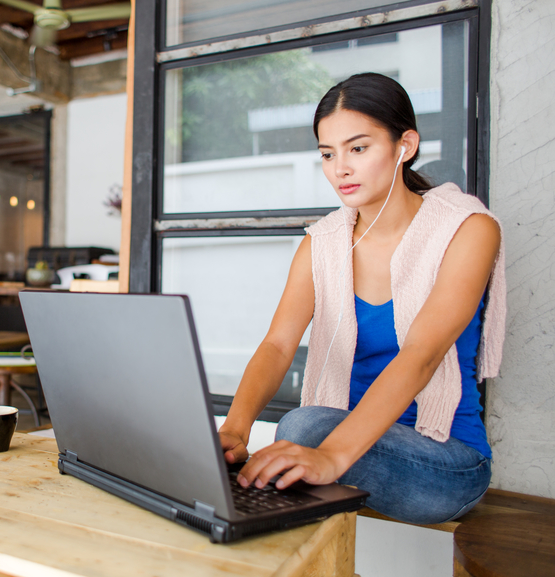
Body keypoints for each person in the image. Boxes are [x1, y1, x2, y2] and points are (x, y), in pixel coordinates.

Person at [217, 73, 506, 525]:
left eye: (358, 148)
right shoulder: (323, 243)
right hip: (341, 443)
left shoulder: (467, 229)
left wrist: (330, 457)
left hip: (442, 460)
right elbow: (278, 344)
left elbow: (422, 353)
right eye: (328, 154)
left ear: (404, 145)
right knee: (280, 449)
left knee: (300, 428)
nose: (340, 169)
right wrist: (235, 429)